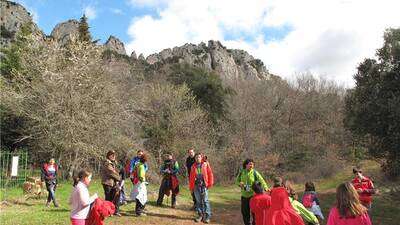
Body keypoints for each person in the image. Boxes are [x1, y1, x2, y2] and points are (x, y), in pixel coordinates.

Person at [235, 159, 269, 225]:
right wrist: (240, 184)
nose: (252, 165)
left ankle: (255, 223)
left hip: (253, 196)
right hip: (244, 196)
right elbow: (236, 181)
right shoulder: (241, 172)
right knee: (245, 212)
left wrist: (266, 187)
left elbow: (261, 180)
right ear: (246, 165)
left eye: (252, 164)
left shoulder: (254, 172)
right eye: (250, 164)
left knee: (254, 212)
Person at [189, 153, 214, 223]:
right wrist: (191, 188)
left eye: (199, 157)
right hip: (196, 186)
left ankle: (207, 216)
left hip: (204, 185)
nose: (197, 158)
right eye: (196, 157)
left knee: (205, 201)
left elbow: (210, 173)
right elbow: (191, 178)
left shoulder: (205, 164)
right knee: (198, 201)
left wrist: (210, 184)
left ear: (201, 157)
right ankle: (200, 215)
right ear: (195, 158)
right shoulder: (193, 166)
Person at [101, 150, 121, 216]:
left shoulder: (113, 163)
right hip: (107, 182)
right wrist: (119, 178)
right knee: (108, 198)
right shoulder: (107, 163)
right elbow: (112, 173)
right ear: (108, 155)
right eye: (112, 155)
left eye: (114, 155)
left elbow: (117, 171)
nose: (113, 156)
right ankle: (107, 212)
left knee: (114, 197)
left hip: (113, 183)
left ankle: (113, 211)